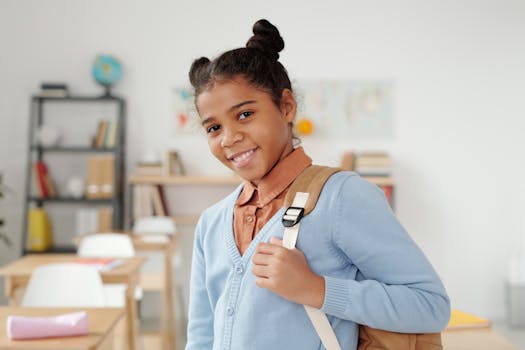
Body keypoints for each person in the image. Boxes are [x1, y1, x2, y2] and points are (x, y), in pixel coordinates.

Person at [185, 19, 450, 350]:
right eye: (213, 128)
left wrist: (316, 289)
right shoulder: (212, 222)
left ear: (286, 106)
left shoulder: (342, 197)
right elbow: (201, 334)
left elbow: (430, 305)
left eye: (244, 115)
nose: (230, 138)